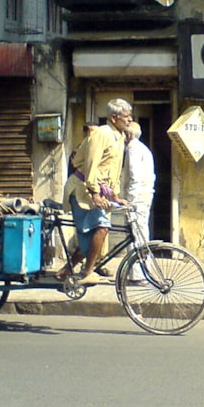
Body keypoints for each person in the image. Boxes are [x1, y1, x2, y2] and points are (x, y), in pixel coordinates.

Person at [58, 98, 133, 284]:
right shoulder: (102, 133)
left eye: (131, 116)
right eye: (126, 116)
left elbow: (114, 169)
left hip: (97, 191)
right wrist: (95, 193)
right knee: (102, 227)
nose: (130, 119)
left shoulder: (120, 137)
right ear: (114, 117)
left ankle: (66, 270)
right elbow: (92, 164)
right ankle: (87, 272)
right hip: (83, 190)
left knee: (90, 239)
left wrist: (115, 195)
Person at [122, 120, 156, 245]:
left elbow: (134, 176)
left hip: (137, 196)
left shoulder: (133, 149)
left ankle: (136, 264)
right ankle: (143, 263)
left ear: (128, 135)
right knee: (141, 231)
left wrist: (129, 198)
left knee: (135, 234)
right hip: (145, 194)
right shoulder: (143, 148)